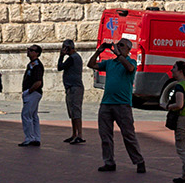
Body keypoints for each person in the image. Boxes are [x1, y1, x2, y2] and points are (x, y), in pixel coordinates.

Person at [88, 37, 146, 175]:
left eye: (121, 45)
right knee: (105, 135)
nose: (118, 47)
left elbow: (130, 68)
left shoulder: (131, 62)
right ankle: (109, 162)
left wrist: (119, 55)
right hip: (107, 103)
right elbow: (91, 65)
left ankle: (139, 161)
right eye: (118, 45)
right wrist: (99, 51)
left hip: (123, 104)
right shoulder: (109, 63)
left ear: (128, 49)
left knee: (128, 135)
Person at [57, 39, 87, 143]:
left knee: (76, 112)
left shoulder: (73, 58)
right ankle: (74, 134)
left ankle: (79, 135)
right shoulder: (75, 57)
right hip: (71, 87)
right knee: (72, 112)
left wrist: (61, 56)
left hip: (74, 88)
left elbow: (60, 67)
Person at [19, 44, 45, 147]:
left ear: (37, 53)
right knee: (33, 116)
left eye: (31, 50)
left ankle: (29, 138)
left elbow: (38, 82)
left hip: (33, 93)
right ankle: (35, 138)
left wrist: (29, 91)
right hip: (32, 92)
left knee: (26, 115)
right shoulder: (31, 64)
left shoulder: (37, 65)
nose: (28, 51)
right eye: (28, 49)